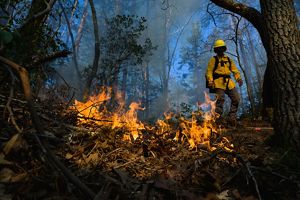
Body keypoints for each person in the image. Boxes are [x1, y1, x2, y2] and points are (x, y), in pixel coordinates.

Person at [205, 39, 243, 127]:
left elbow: (235, 70)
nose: (220, 50)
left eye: (221, 48)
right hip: (218, 82)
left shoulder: (228, 59)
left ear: (224, 49)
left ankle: (231, 118)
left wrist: (239, 79)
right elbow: (209, 71)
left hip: (229, 83)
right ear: (216, 50)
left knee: (236, 99)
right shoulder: (213, 59)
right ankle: (217, 119)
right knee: (220, 100)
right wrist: (210, 81)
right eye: (218, 48)